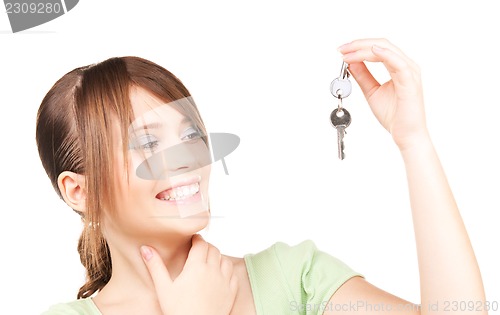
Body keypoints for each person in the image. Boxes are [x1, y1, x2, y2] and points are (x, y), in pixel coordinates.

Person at [38, 38, 487, 315]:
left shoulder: (293, 278)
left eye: (191, 133)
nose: (187, 156)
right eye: (149, 143)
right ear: (80, 190)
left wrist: (415, 142)